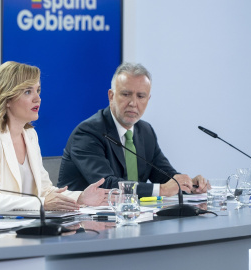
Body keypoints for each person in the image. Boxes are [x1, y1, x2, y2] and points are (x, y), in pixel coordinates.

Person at [0, 61, 108, 213]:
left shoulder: (30, 135)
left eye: (38, 90)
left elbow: (45, 191)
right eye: (28, 92)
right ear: (7, 98)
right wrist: (41, 204)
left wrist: (80, 197)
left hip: (24, 227)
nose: (38, 98)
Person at [58, 62, 209, 198]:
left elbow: (165, 175)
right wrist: (162, 190)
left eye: (141, 96)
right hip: (84, 222)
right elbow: (106, 185)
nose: (133, 103)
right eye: (126, 94)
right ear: (111, 96)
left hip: (130, 217)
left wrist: (188, 185)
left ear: (148, 99)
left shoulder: (145, 131)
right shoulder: (87, 133)